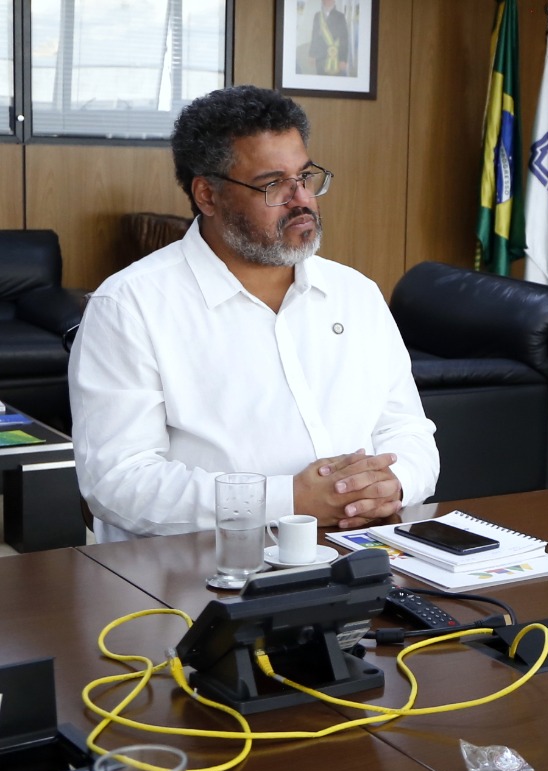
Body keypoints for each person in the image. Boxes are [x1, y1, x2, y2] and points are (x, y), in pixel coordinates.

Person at [70, 86, 436, 541]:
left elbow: (408, 430)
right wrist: (289, 500)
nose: (302, 200)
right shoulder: (129, 306)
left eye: (305, 176)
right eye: (273, 184)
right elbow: (118, 483)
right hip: (197, 567)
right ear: (208, 195)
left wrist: (392, 485)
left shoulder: (355, 293)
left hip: (358, 550)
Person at [309, 0, 351, 77]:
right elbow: (314, 36)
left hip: (336, 56)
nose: (327, 1)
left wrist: (343, 59)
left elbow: (344, 39)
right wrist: (312, 54)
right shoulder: (317, 16)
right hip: (320, 57)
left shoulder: (340, 16)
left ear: (334, 1)